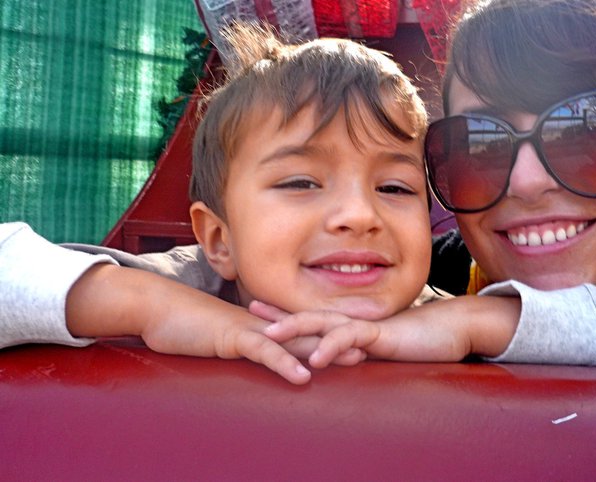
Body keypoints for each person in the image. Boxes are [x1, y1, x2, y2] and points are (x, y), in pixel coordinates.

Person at [255, 0, 596, 370]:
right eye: (479, 143)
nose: (527, 182)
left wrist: (476, 319)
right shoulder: (444, 269)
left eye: (591, 130)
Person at [0, 23, 434, 384]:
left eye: (394, 188)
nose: (359, 215)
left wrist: (470, 324)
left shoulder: (438, 317)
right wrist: (149, 308)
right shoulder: (181, 288)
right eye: (301, 182)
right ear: (219, 239)